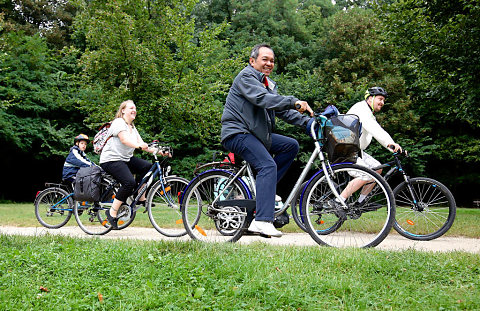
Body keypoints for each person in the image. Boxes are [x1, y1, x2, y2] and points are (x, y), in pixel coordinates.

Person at [221, 43, 314, 237]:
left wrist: (309, 123)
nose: (269, 63)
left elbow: (282, 109)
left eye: (272, 61)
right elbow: (262, 99)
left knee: (291, 146)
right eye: (265, 59)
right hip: (238, 133)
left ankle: (264, 187)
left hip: (256, 136)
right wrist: (293, 101)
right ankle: (262, 221)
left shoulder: (267, 85)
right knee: (268, 166)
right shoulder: (246, 77)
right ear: (252, 61)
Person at [100, 100, 170, 228]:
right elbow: (124, 139)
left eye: (135, 108)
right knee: (129, 183)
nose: (134, 110)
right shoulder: (118, 123)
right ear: (123, 110)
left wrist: (160, 152)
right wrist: (138, 145)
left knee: (148, 167)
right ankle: (112, 212)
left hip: (125, 158)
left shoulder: (132, 127)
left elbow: (145, 146)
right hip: (111, 159)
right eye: (131, 108)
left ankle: (140, 195)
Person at [333, 87, 402, 205]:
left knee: (377, 168)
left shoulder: (368, 112)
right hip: (344, 149)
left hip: (354, 149)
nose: (382, 103)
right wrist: (390, 144)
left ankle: (360, 203)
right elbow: (375, 130)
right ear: (370, 99)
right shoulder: (362, 109)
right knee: (365, 174)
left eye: (384, 100)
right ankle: (338, 201)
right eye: (380, 99)